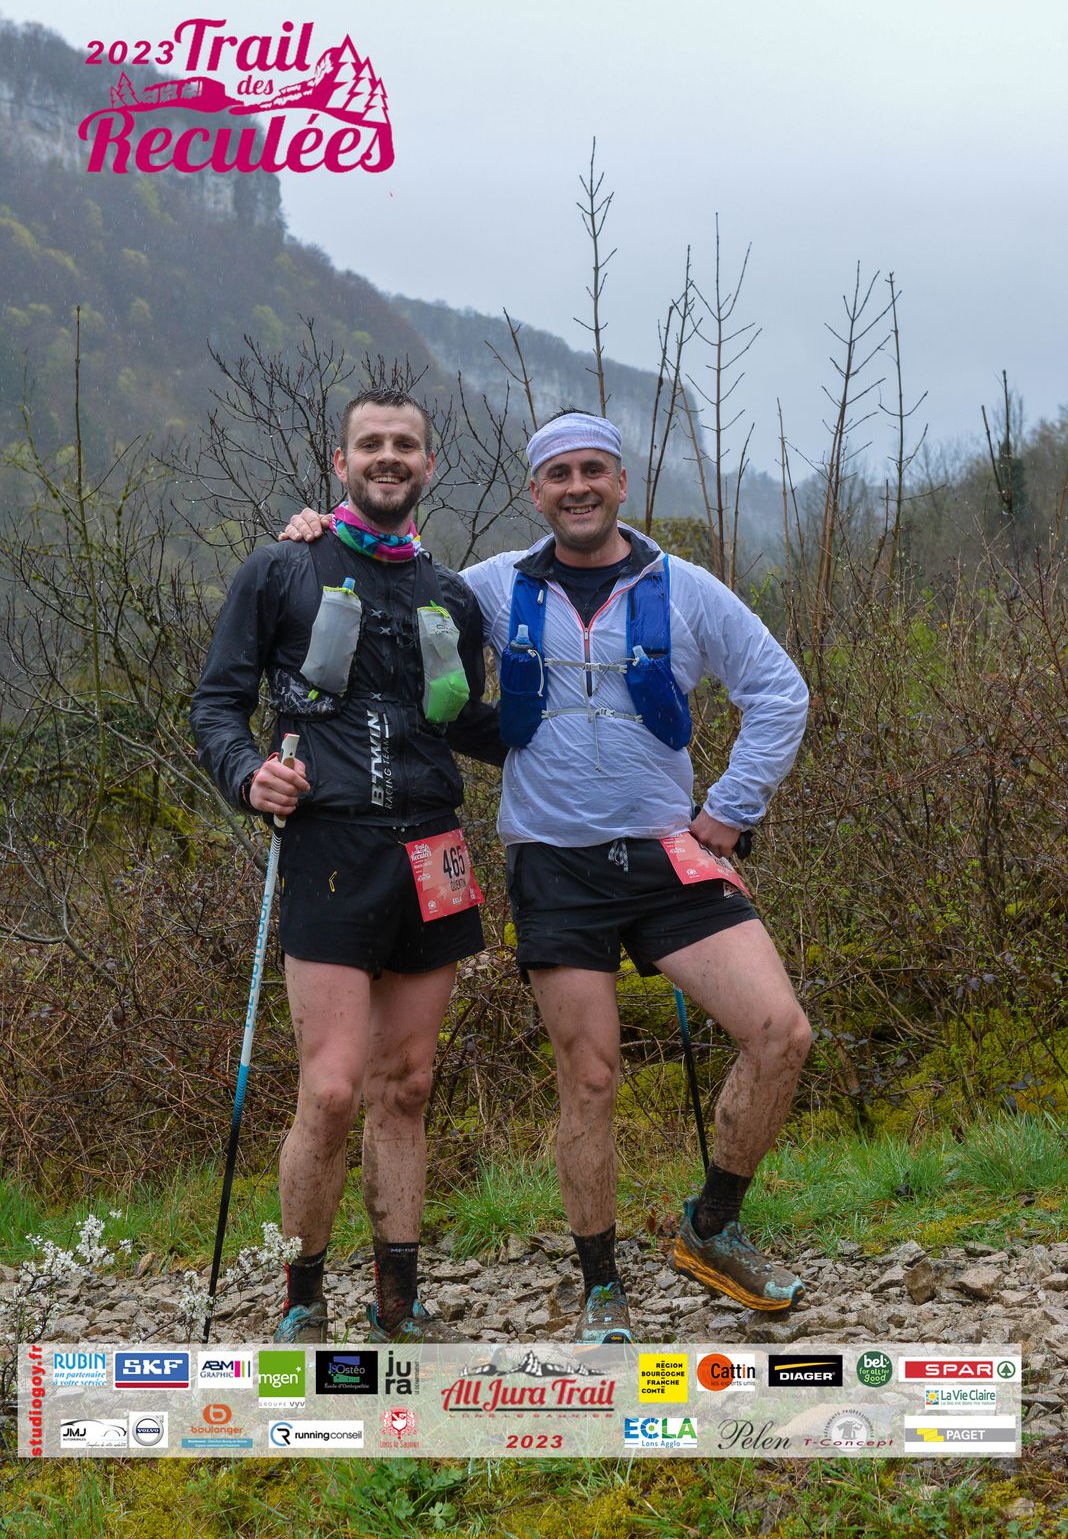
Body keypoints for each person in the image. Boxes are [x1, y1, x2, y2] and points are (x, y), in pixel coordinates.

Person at [282, 407, 811, 1345]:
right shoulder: (489, 587)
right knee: (591, 1077)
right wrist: (322, 534)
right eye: (559, 473)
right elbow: (399, 587)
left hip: (670, 854)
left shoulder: (686, 588)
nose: (578, 487)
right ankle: (601, 1287)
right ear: (535, 492)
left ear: (620, 482)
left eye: (593, 470)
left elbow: (779, 691)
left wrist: (731, 811)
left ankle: (711, 1227)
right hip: (553, 863)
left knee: (781, 1032)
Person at [191, 387, 505, 1345]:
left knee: (406, 1085)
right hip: (329, 848)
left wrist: (586, 722)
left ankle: (398, 1305)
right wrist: (248, 776)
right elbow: (216, 705)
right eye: (371, 443)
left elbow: (467, 724)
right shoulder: (283, 568)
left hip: (433, 849)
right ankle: (302, 1301)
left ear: (429, 465)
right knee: (330, 1091)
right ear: (340, 462)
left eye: (405, 444)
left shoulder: (452, 597)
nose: (388, 457)